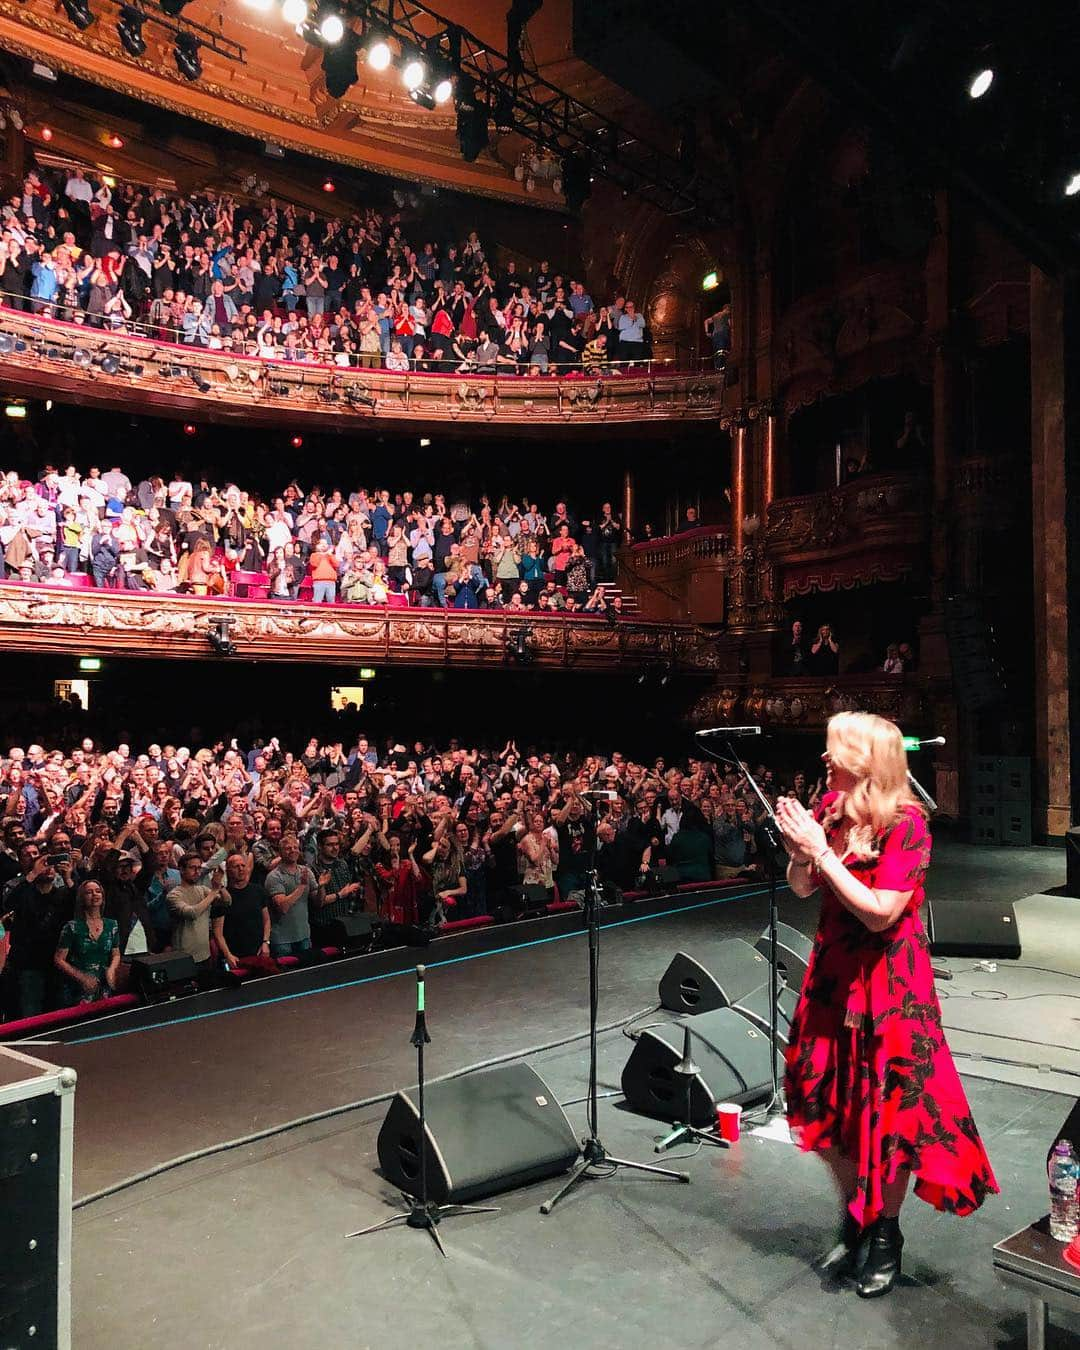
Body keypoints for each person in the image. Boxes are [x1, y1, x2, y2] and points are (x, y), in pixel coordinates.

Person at [775, 712, 997, 1299]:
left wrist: (821, 855)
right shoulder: (831, 807)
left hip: (888, 985)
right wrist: (802, 852)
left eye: (834, 751)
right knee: (819, 1093)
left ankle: (884, 1235)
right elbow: (801, 888)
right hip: (833, 973)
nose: (825, 760)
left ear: (864, 759)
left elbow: (880, 912)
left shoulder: (909, 826)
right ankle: (858, 1214)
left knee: (888, 1112)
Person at [54, 879, 120, 1005]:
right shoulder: (72, 927)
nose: (95, 895)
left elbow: (116, 954)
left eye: (98, 891)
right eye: (89, 892)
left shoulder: (112, 925)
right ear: (82, 898)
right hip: (79, 988)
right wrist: (81, 977)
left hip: (104, 985)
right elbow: (59, 959)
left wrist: (112, 970)